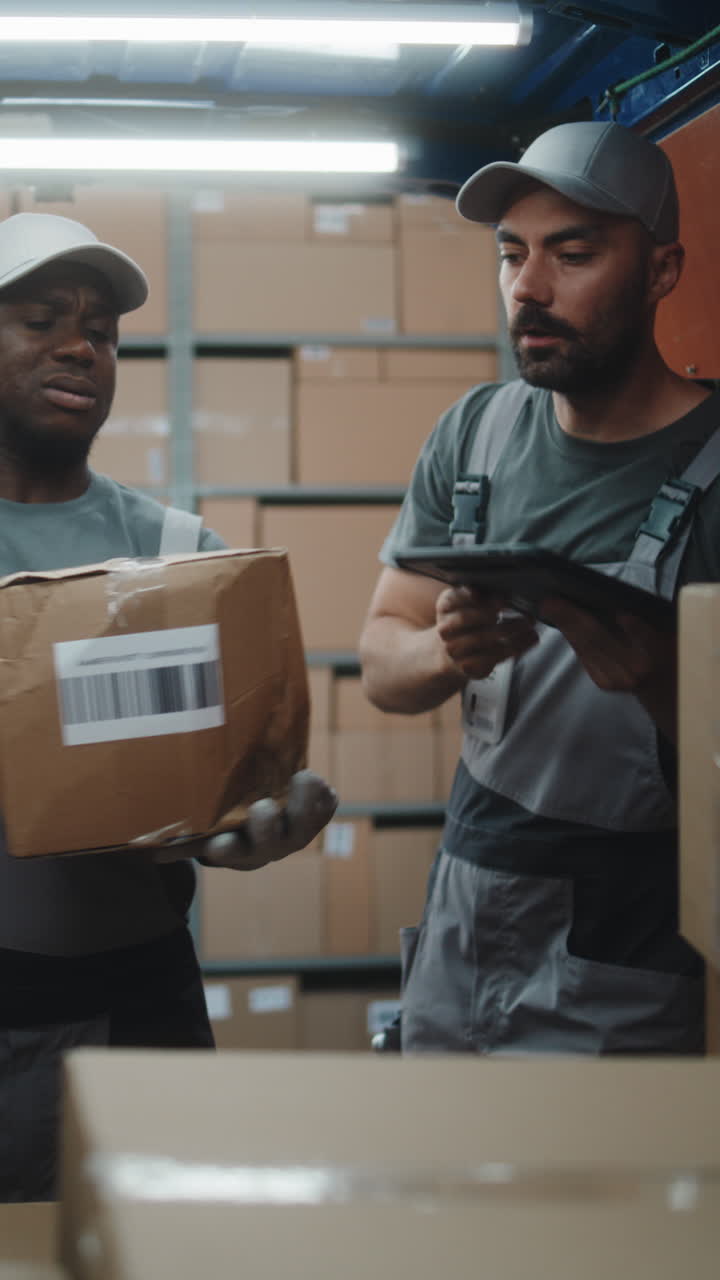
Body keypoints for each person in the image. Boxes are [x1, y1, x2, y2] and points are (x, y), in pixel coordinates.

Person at [359, 120, 720, 1057]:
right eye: (512, 254)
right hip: (466, 901)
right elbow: (381, 662)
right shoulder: (474, 434)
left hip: (628, 939)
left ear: (662, 270)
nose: (530, 287)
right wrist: (443, 650)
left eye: (574, 253)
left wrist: (660, 680)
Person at [0, 211, 337, 1201]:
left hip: (136, 987)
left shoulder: (177, 551)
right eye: (40, 319)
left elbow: (242, 766)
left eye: (102, 331)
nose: (81, 347)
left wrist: (258, 815)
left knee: (157, 1247)